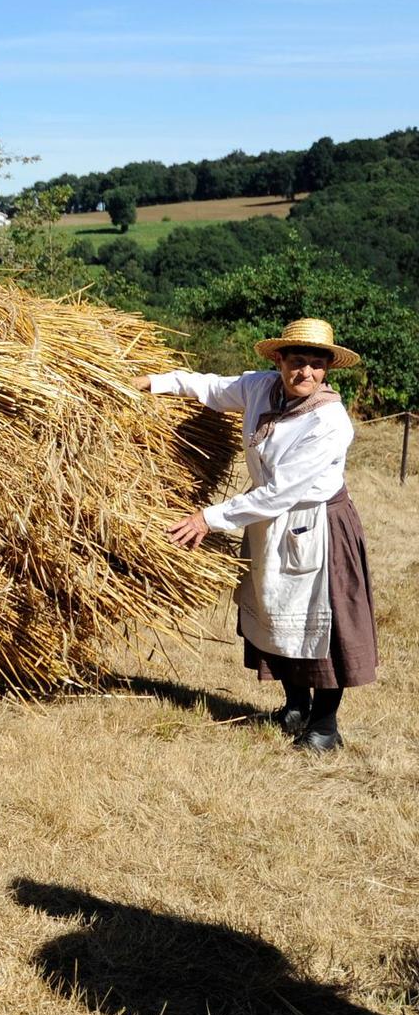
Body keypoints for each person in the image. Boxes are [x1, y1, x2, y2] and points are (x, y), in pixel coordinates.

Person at [134, 318, 379, 751]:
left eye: (316, 365)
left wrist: (206, 519)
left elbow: (281, 492)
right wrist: (154, 382)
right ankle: (295, 707)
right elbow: (209, 387)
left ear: (327, 370)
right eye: (297, 361)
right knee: (275, 613)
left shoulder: (331, 423)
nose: (305, 372)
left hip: (317, 524)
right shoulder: (259, 387)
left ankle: (324, 727)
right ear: (279, 360)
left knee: (320, 626)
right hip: (267, 523)